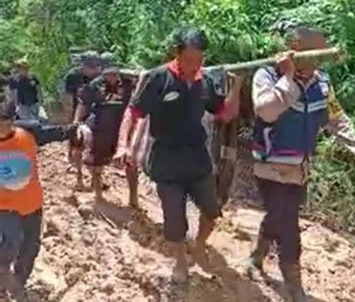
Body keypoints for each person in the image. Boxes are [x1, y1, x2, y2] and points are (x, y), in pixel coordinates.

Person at [246, 26, 355, 302]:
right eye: (314, 53)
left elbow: (337, 119)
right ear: (296, 50)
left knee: (278, 217)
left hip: (299, 168)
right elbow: (266, 110)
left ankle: (256, 256)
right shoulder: (267, 75)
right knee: (289, 227)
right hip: (271, 166)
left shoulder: (322, 83)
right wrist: (289, 79)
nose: (318, 63)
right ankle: (295, 289)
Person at [114, 27, 243, 283]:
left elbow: (226, 114)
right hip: (166, 159)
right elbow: (133, 112)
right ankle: (180, 262)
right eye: (189, 59)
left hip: (197, 157)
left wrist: (236, 87)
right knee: (174, 218)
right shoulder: (158, 78)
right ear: (177, 53)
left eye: (199, 60)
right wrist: (123, 145)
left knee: (211, 211)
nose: (194, 65)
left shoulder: (204, 82)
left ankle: (198, 246)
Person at [0, 98, 77, 302]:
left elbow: (54, 133)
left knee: (31, 246)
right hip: (3, 206)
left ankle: (18, 282)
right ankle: (4, 283)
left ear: (13, 121)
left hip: (31, 202)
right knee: (11, 242)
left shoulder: (29, 134)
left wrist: (78, 129)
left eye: (4, 123)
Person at [75, 66, 138, 205]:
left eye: (114, 75)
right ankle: (98, 195)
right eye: (107, 75)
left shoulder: (128, 83)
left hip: (122, 128)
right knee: (97, 162)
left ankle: (134, 198)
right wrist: (77, 123)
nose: (111, 78)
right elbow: (83, 104)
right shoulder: (95, 85)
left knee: (130, 163)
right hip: (100, 128)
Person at [62, 53, 102, 189]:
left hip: (97, 116)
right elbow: (67, 98)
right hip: (77, 113)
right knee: (77, 145)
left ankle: (95, 179)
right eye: (91, 66)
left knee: (96, 148)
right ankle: (79, 176)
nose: (94, 70)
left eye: (96, 66)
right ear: (83, 66)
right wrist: (70, 118)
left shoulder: (101, 77)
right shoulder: (73, 77)